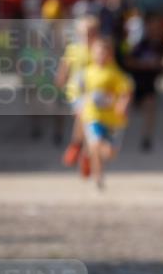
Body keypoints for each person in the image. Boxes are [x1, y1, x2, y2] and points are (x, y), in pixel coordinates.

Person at [80, 36, 133, 189]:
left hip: (113, 119)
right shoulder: (87, 72)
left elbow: (126, 91)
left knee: (109, 153)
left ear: (110, 55)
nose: (100, 56)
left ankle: (88, 153)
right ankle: (98, 176)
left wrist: (122, 105)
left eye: (104, 53)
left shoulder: (115, 73)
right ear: (92, 54)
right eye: (97, 53)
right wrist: (80, 106)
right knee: (96, 144)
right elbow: (82, 92)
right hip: (93, 116)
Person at [57, 15, 100, 168]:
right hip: (77, 92)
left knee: (91, 126)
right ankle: (76, 145)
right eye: (85, 32)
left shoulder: (99, 49)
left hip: (96, 93)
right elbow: (65, 66)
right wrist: (61, 79)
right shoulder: (74, 49)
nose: (88, 35)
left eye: (91, 32)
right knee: (83, 115)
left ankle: (87, 154)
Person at [124, 12, 163, 151]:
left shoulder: (162, 45)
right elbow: (128, 61)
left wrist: (159, 65)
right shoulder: (141, 44)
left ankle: (146, 137)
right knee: (128, 110)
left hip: (150, 84)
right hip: (136, 82)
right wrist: (144, 65)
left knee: (150, 109)